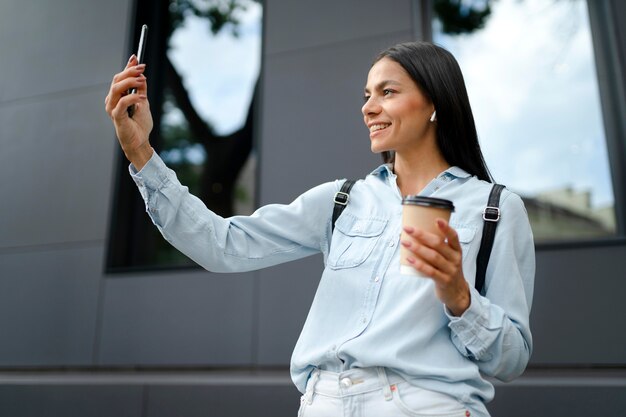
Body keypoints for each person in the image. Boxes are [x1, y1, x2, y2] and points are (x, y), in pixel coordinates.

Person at [105, 41, 534, 417]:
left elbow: (511, 358)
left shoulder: (495, 209)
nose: (368, 107)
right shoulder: (342, 200)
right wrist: (140, 151)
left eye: (388, 92)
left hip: (426, 404)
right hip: (324, 402)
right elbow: (223, 244)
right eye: (367, 95)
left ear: (435, 103)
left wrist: (461, 298)